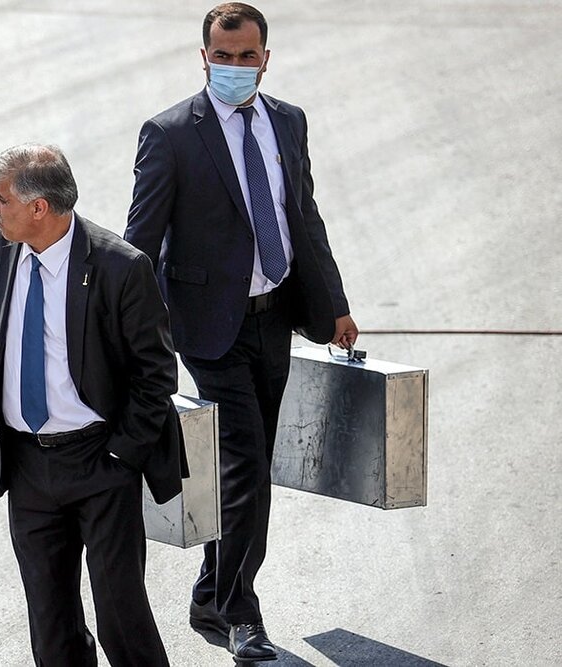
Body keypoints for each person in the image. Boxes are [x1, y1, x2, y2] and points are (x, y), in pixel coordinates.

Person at [124, 3, 359, 662]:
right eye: (220, 57)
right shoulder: (170, 134)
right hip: (207, 329)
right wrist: (128, 334)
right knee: (250, 467)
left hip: (276, 316)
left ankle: (209, 590)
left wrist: (333, 304)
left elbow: (301, 217)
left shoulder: (288, 121)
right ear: (203, 58)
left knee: (245, 472)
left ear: (264, 57)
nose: (232, 67)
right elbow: (139, 243)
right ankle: (238, 611)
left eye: (245, 56)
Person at [0, 144, 185, 667]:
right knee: (51, 625)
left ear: (39, 207)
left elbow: (155, 373)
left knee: (121, 618)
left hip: (99, 464)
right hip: (28, 468)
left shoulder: (119, 267)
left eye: (0, 199)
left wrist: (121, 458)